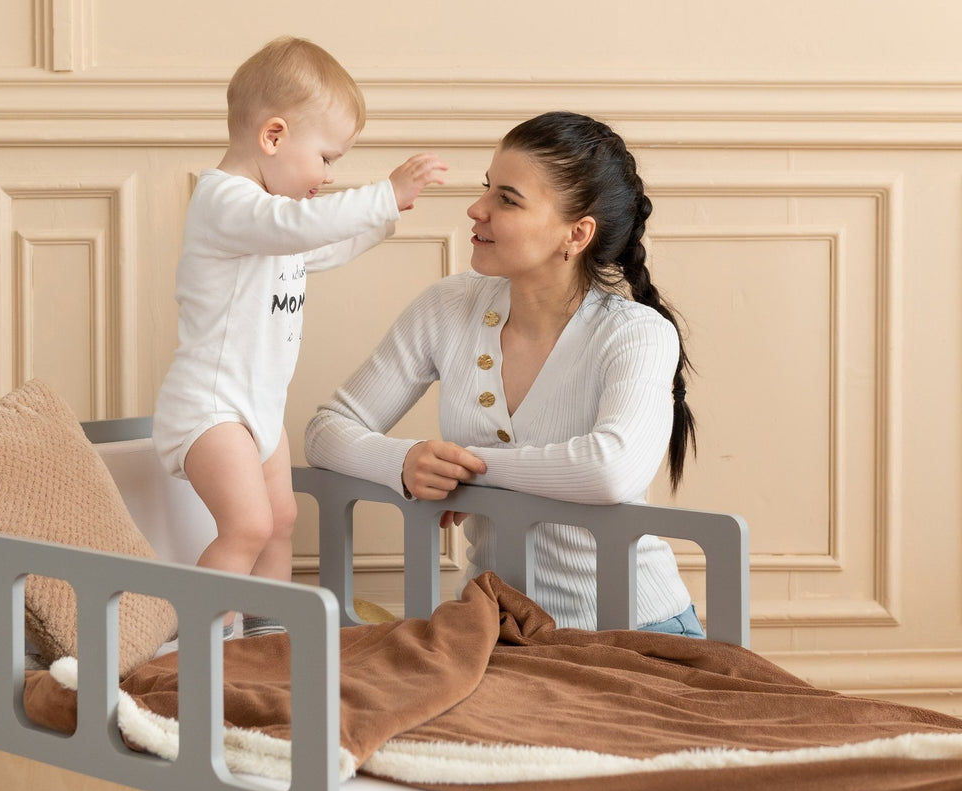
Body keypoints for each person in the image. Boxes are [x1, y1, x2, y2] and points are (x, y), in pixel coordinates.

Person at [304, 110, 704, 637]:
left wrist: (467, 472)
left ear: (577, 233)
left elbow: (611, 470)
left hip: (637, 630)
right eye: (486, 188)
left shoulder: (636, 332)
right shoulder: (448, 307)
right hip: (499, 630)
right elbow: (326, 431)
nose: (476, 209)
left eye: (507, 199)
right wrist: (403, 461)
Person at [152, 36, 448, 639]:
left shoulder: (270, 223)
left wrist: (385, 218)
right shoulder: (226, 203)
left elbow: (320, 241)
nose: (328, 176)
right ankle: (192, 647)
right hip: (210, 409)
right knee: (247, 528)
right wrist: (380, 194)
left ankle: (268, 635)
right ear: (274, 136)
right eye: (327, 158)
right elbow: (300, 225)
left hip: (256, 407)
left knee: (281, 519)